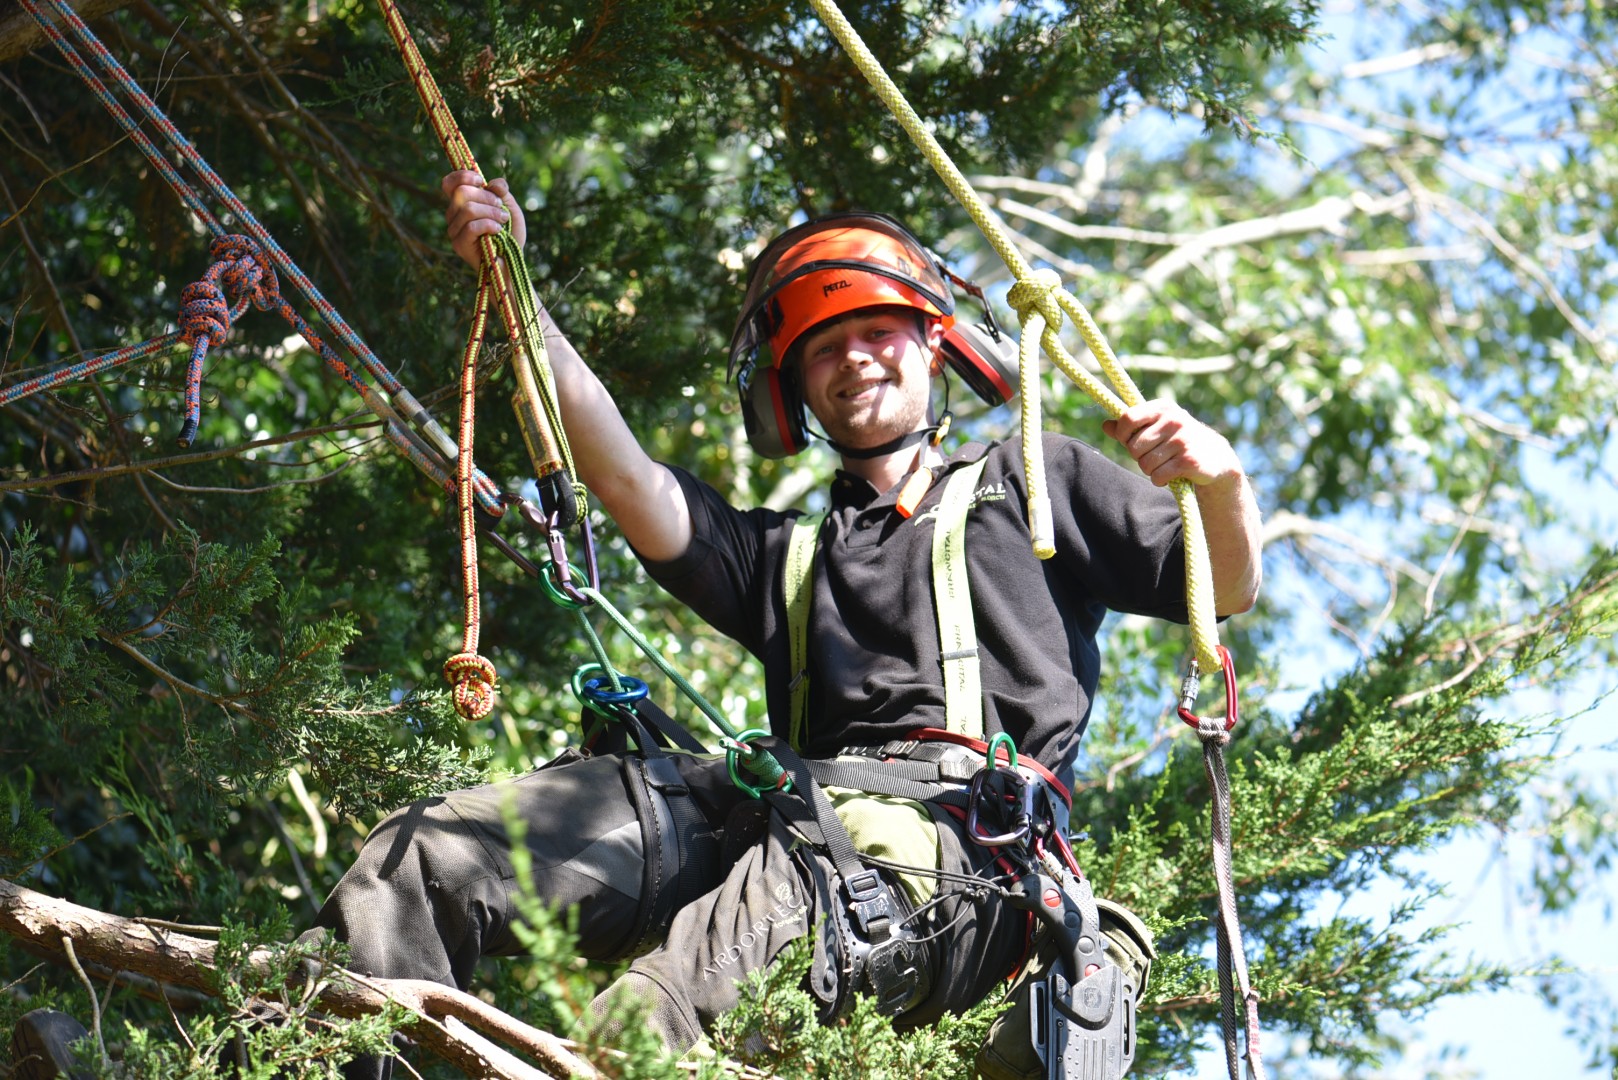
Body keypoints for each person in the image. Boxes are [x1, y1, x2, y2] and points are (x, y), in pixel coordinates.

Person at [305, 172, 1262, 1079]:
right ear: (796, 388)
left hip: (947, 855)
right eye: (822, 346)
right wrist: (517, 289)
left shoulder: (1031, 483)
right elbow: (628, 478)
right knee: (426, 857)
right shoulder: (784, 557)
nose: (854, 356)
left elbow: (1219, 586)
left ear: (934, 342)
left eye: (878, 330)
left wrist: (1218, 481)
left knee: (642, 1032)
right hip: (790, 819)